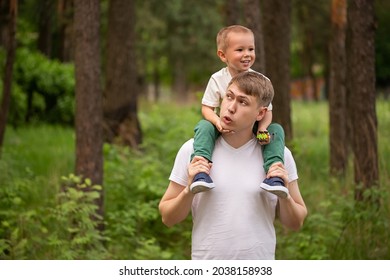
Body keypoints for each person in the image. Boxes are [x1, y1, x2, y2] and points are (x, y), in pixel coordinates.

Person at [159, 71, 307, 260]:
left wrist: (285, 197)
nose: (230, 107)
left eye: (243, 102)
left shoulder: (278, 155)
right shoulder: (193, 150)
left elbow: (296, 222)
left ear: (261, 113)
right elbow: (167, 218)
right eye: (229, 97)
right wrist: (188, 190)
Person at [189, 25, 287, 198]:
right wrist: (217, 122)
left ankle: (274, 174)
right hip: (222, 126)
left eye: (251, 49)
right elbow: (207, 108)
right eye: (240, 49)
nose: (247, 54)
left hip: (253, 130)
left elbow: (267, 111)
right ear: (222, 55)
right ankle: (201, 169)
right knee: (203, 126)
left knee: (276, 131)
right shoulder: (218, 79)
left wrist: (263, 128)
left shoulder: (261, 81)